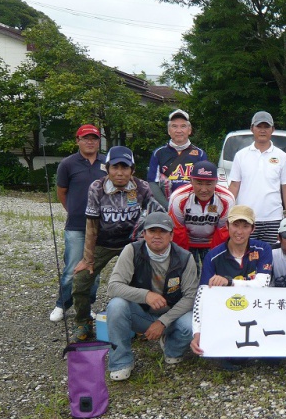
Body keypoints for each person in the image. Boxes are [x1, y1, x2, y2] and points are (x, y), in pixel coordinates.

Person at [71, 146, 152, 341]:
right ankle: (83, 322)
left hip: (132, 244)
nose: (120, 172)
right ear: (107, 168)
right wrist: (88, 259)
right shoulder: (96, 188)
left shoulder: (142, 187)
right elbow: (91, 223)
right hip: (103, 242)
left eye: (125, 167)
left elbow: (149, 220)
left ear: (132, 169)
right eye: (115, 167)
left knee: (143, 280)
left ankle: (140, 321)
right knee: (81, 279)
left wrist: (146, 253)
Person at [105, 212, 198, 381]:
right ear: (144, 234)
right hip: (140, 313)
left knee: (191, 323)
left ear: (171, 235)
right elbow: (113, 287)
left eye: (162, 231)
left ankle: (172, 348)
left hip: (171, 316)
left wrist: (163, 321)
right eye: (152, 231)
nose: (157, 236)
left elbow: (190, 297)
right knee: (116, 306)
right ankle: (121, 362)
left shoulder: (186, 258)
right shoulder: (131, 251)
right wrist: (145, 295)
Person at [191, 205, 273, 369]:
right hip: (228, 314)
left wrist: (230, 282)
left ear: (252, 228)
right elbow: (202, 296)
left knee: (273, 360)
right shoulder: (213, 256)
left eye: (245, 226)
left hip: (260, 311)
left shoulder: (263, 249)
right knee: (235, 361)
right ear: (227, 226)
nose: (239, 231)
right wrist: (197, 333)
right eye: (235, 225)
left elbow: (262, 285)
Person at [50, 124, 106, 323]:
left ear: (99, 141)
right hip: (76, 226)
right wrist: (73, 210)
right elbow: (62, 192)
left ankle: (86, 306)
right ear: (77, 140)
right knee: (72, 267)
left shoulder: (107, 162)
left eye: (94, 138)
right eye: (85, 138)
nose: (90, 142)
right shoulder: (67, 164)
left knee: (93, 270)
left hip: (101, 227)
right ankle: (62, 304)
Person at [227, 111, 286, 242]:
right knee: (246, 257)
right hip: (245, 218)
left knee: (270, 258)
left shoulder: (282, 156)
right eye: (259, 126)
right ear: (252, 128)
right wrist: (227, 213)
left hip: (273, 218)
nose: (262, 130)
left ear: (272, 129)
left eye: (266, 127)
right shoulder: (241, 155)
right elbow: (234, 186)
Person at [168, 160, 235, 269]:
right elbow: (177, 231)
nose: (204, 189)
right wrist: (184, 258)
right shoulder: (178, 198)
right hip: (186, 241)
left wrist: (214, 258)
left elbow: (223, 231)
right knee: (186, 271)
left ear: (216, 182)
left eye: (209, 184)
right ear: (191, 181)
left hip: (213, 240)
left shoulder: (227, 199)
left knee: (214, 272)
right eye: (199, 183)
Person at [147, 109, 208, 209]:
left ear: (189, 130)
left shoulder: (200, 154)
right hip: (166, 208)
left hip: (192, 207)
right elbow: (153, 184)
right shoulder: (158, 153)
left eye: (183, 126)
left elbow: (205, 183)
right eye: (174, 126)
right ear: (168, 131)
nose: (179, 130)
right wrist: (168, 207)